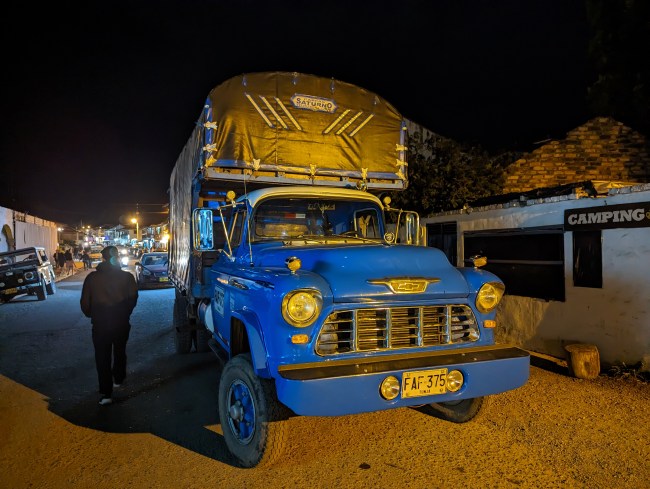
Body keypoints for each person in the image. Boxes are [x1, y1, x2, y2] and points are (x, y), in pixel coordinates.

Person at [80, 245, 138, 406]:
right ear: (117, 258)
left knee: (102, 357)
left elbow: (85, 303)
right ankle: (118, 378)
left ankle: (106, 393)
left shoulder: (92, 278)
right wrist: (125, 313)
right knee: (120, 351)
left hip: (100, 324)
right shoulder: (127, 277)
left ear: (103, 259)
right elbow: (133, 298)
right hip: (121, 322)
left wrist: (93, 314)